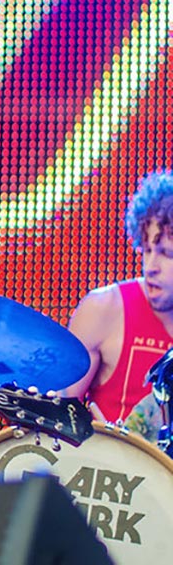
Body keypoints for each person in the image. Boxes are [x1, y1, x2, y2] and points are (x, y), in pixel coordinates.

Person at [64, 171, 173, 425]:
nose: (150, 266)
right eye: (146, 250)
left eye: (166, 254)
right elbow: (58, 411)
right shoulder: (104, 309)